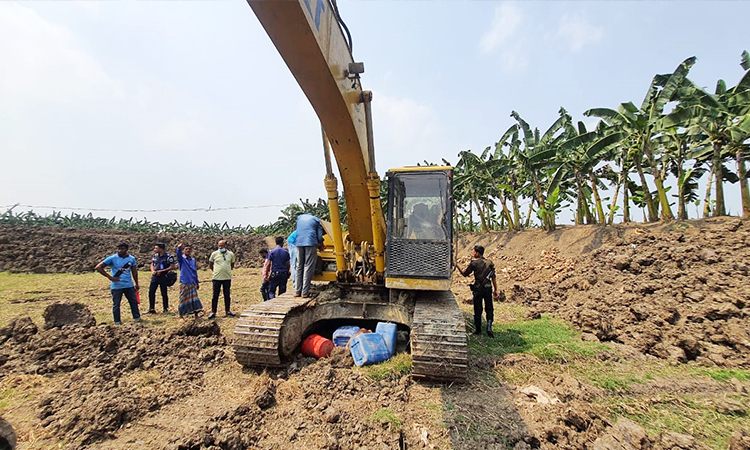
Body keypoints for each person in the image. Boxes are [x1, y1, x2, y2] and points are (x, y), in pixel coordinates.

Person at [457, 245, 499, 338]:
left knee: (478, 309)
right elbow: (493, 277)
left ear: (477, 252)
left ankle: (478, 329)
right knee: (489, 308)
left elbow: (465, 274)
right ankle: (489, 328)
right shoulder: (490, 263)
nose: (473, 253)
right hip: (488, 288)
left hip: (478, 289)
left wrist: (456, 265)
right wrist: (496, 289)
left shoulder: (474, 263)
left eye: (474, 252)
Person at [95, 242, 141, 325]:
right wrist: (110, 277)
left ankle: (137, 317)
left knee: (133, 302)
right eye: (119, 249)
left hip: (128, 285)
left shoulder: (131, 259)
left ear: (126, 250)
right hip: (116, 286)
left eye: (122, 249)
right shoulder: (112, 258)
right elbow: (98, 267)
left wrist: (136, 283)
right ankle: (117, 321)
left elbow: (134, 271)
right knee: (116, 304)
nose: (120, 250)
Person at [294, 213, 324, 298]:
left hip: (299, 243)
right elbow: (320, 236)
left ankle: (297, 291)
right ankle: (305, 292)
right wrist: (321, 243)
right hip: (310, 243)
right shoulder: (316, 220)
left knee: (299, 266)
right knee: (308, 266)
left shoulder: (299, 218)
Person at [208, 240, 236, 319]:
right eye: (219, 245)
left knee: (227, 295)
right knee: (215, 295)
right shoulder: (214, 254)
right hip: (216, 278)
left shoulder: (230, 254)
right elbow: (210, 264)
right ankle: (213, 311)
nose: (220, 247)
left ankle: (227, 311)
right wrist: (216, 271)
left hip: (227, 278)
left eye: (222, 245)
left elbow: (232, 264)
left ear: (225, 246)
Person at [175, 243, 204, 319]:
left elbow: (194, 271)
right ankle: (181, 315)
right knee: (182, 299)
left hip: (192, 282)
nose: (188, 250)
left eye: (189, 249)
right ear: (183, 251)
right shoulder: (182, 259)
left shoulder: (193, 260)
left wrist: (197, 282)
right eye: (186, 249)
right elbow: (178, 255)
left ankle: (196, 315)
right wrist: (179, 248)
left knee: (194, 299)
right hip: (184, 281)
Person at [148, 243, 176, 314]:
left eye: (156, 248)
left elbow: (172, 266)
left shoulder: (168, 257)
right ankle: (151, 308)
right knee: (151, 292)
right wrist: (153, 270)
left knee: (164, 293)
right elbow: (152, 264)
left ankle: (165, 308)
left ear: (161, 249)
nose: (154, 250)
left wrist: (162, 271)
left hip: (164, 276)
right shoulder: (155, 256)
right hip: (155, 276)